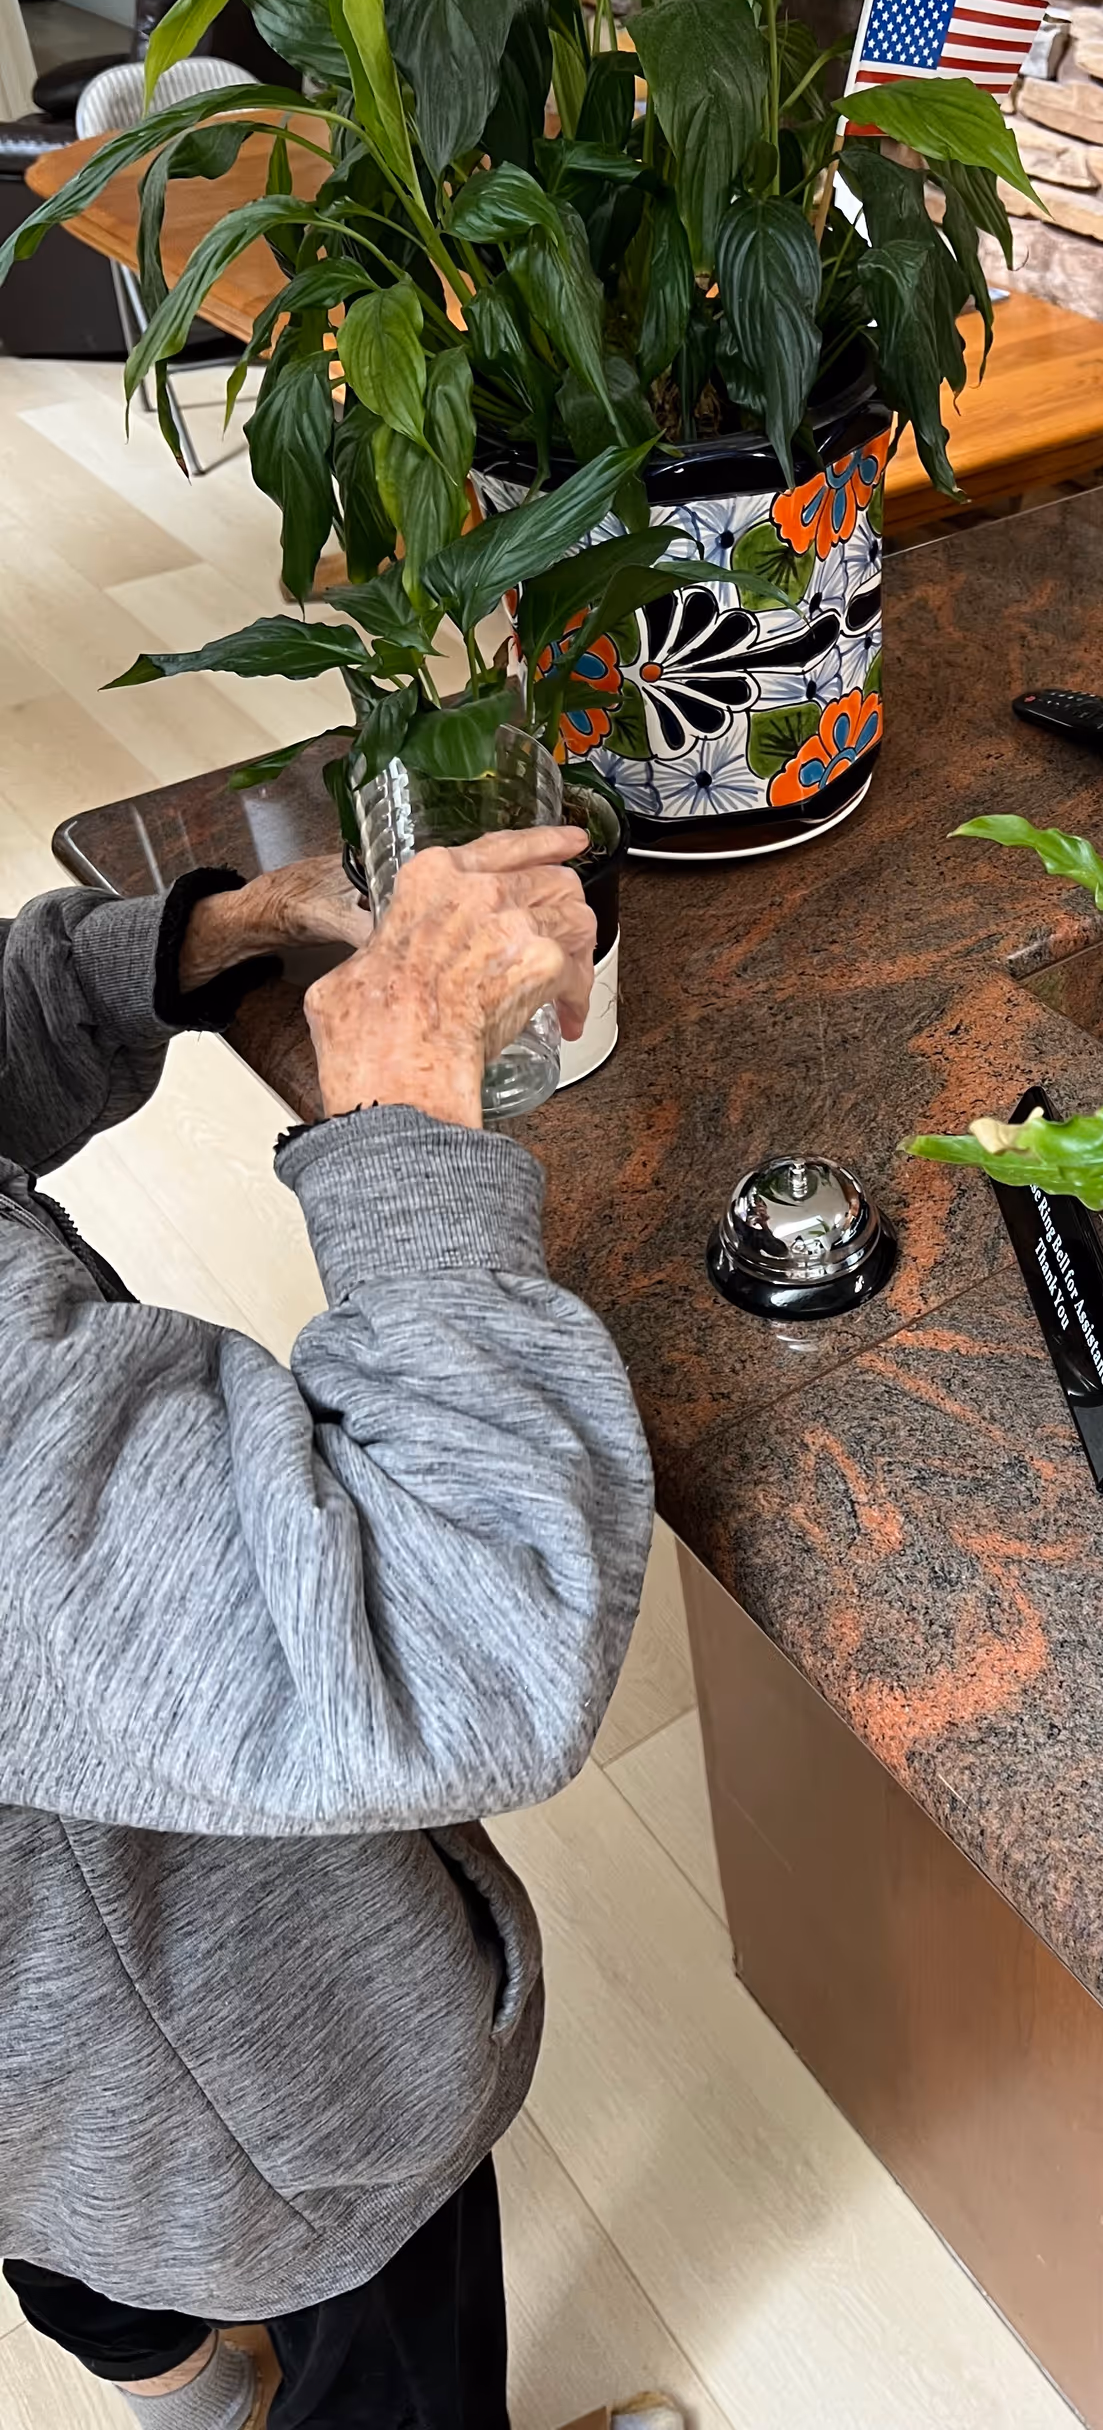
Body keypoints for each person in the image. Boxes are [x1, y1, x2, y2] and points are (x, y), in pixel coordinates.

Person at [0, 834, 681, 2430]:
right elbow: (462, 1641)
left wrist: (170, 952)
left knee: (81, 2234)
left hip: (68, 2081)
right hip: (247, 2087)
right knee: (378, 2340)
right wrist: (406, 1130)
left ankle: (191, 2402)